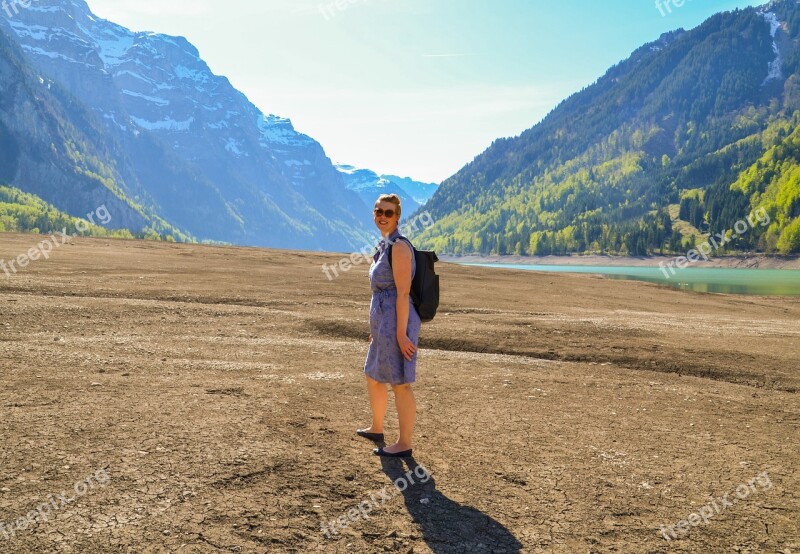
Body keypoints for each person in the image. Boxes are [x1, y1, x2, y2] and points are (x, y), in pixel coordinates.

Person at [357, 194, 421, 458]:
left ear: (397, 217)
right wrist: (376, 330)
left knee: (400, 383)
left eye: (388, 212)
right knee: (373, 376)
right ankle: (377, 427)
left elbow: (403, 293)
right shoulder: (384, 245)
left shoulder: (400, 248)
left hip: (397, 320)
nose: (382, 216)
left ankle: (404, 443)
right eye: (378, 211)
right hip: (382, 322)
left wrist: (400, 334)